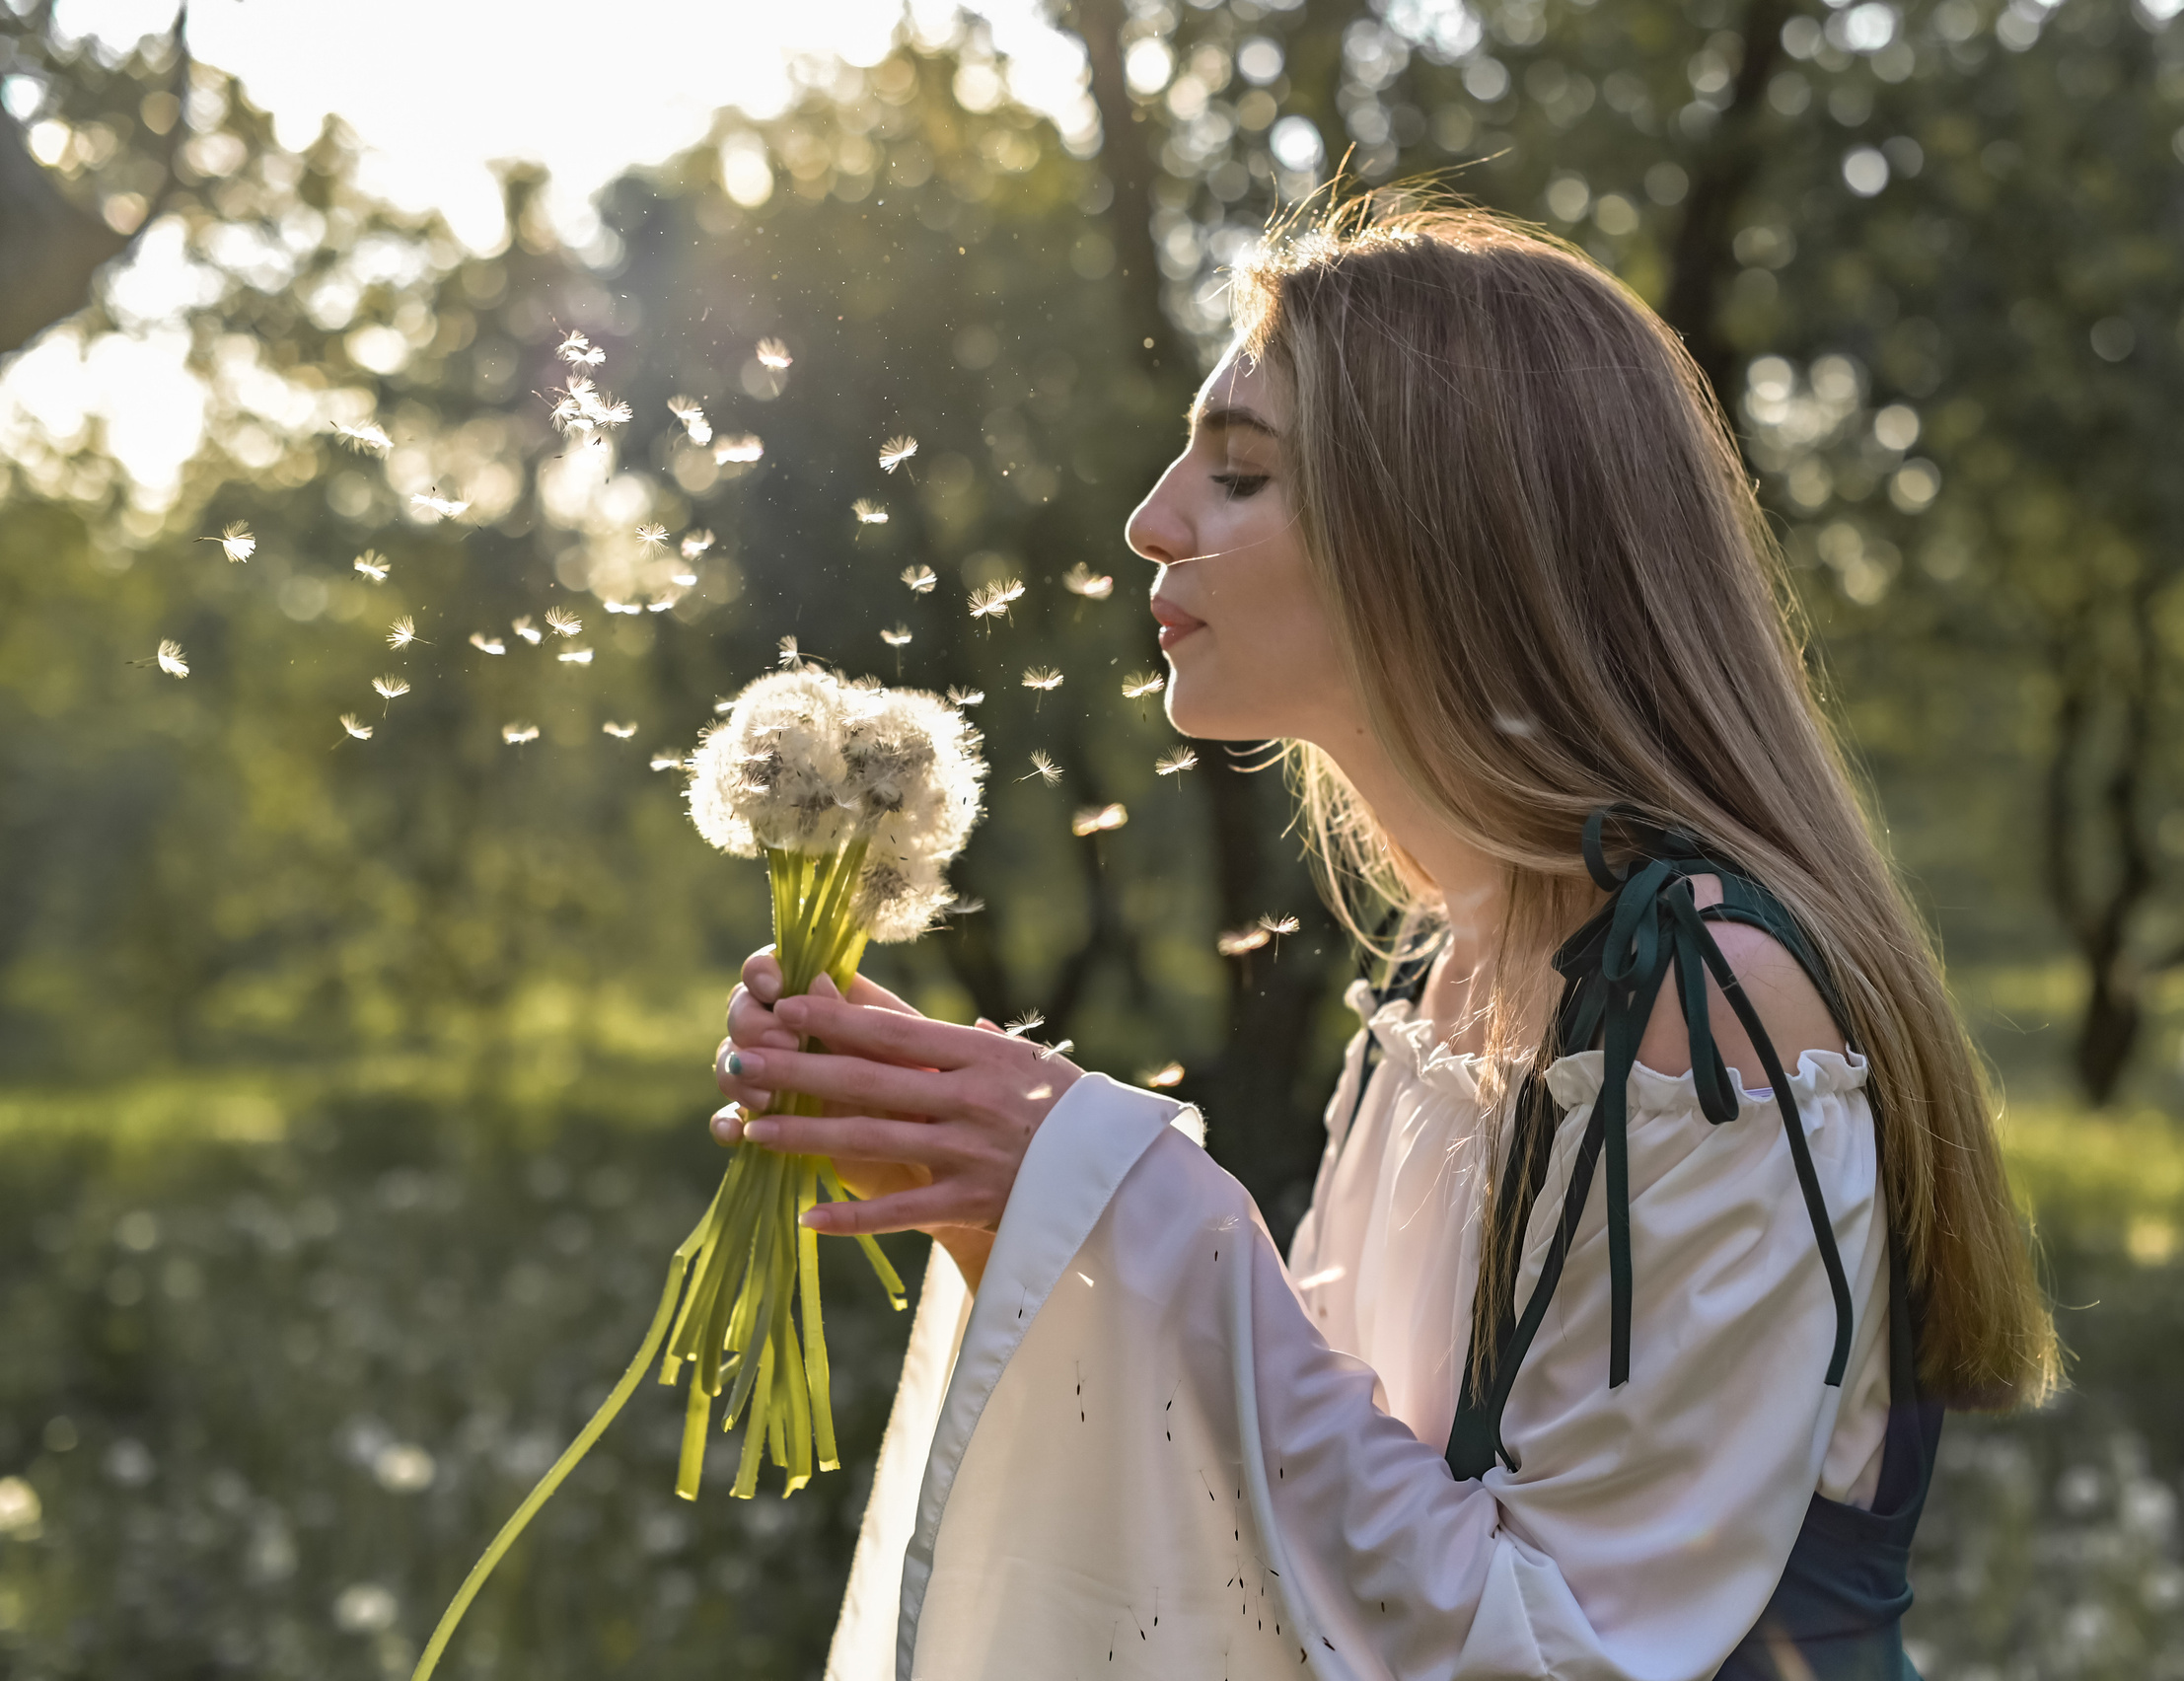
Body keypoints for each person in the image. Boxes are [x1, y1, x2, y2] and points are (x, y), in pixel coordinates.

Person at [708, 198, 2060, 1681]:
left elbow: (1556, 1653)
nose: (1152, 520)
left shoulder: (1708, 1000)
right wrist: (1007, 1207)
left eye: (1238, 475)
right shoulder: (1451, 970)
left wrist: (1149, 1200)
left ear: (1447, 536)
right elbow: (1335, 1512)